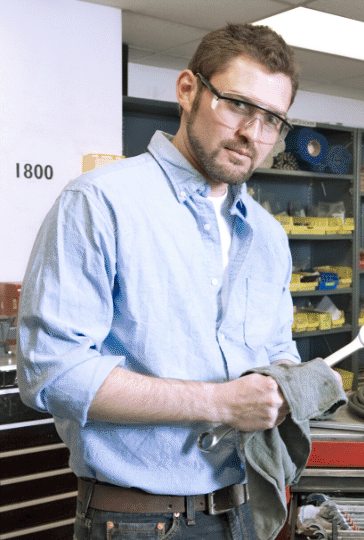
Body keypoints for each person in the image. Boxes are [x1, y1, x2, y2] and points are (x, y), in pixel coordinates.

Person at [17, 23, 304, 540]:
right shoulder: (100, 203)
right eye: (238, 105)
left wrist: (285, 385)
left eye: (271, 120)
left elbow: (278, 350)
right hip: (136, 520)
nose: (252, 135)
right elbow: (53, 373)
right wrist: (221, 402)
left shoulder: (269, 236)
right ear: (188, 90)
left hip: (245, 511)